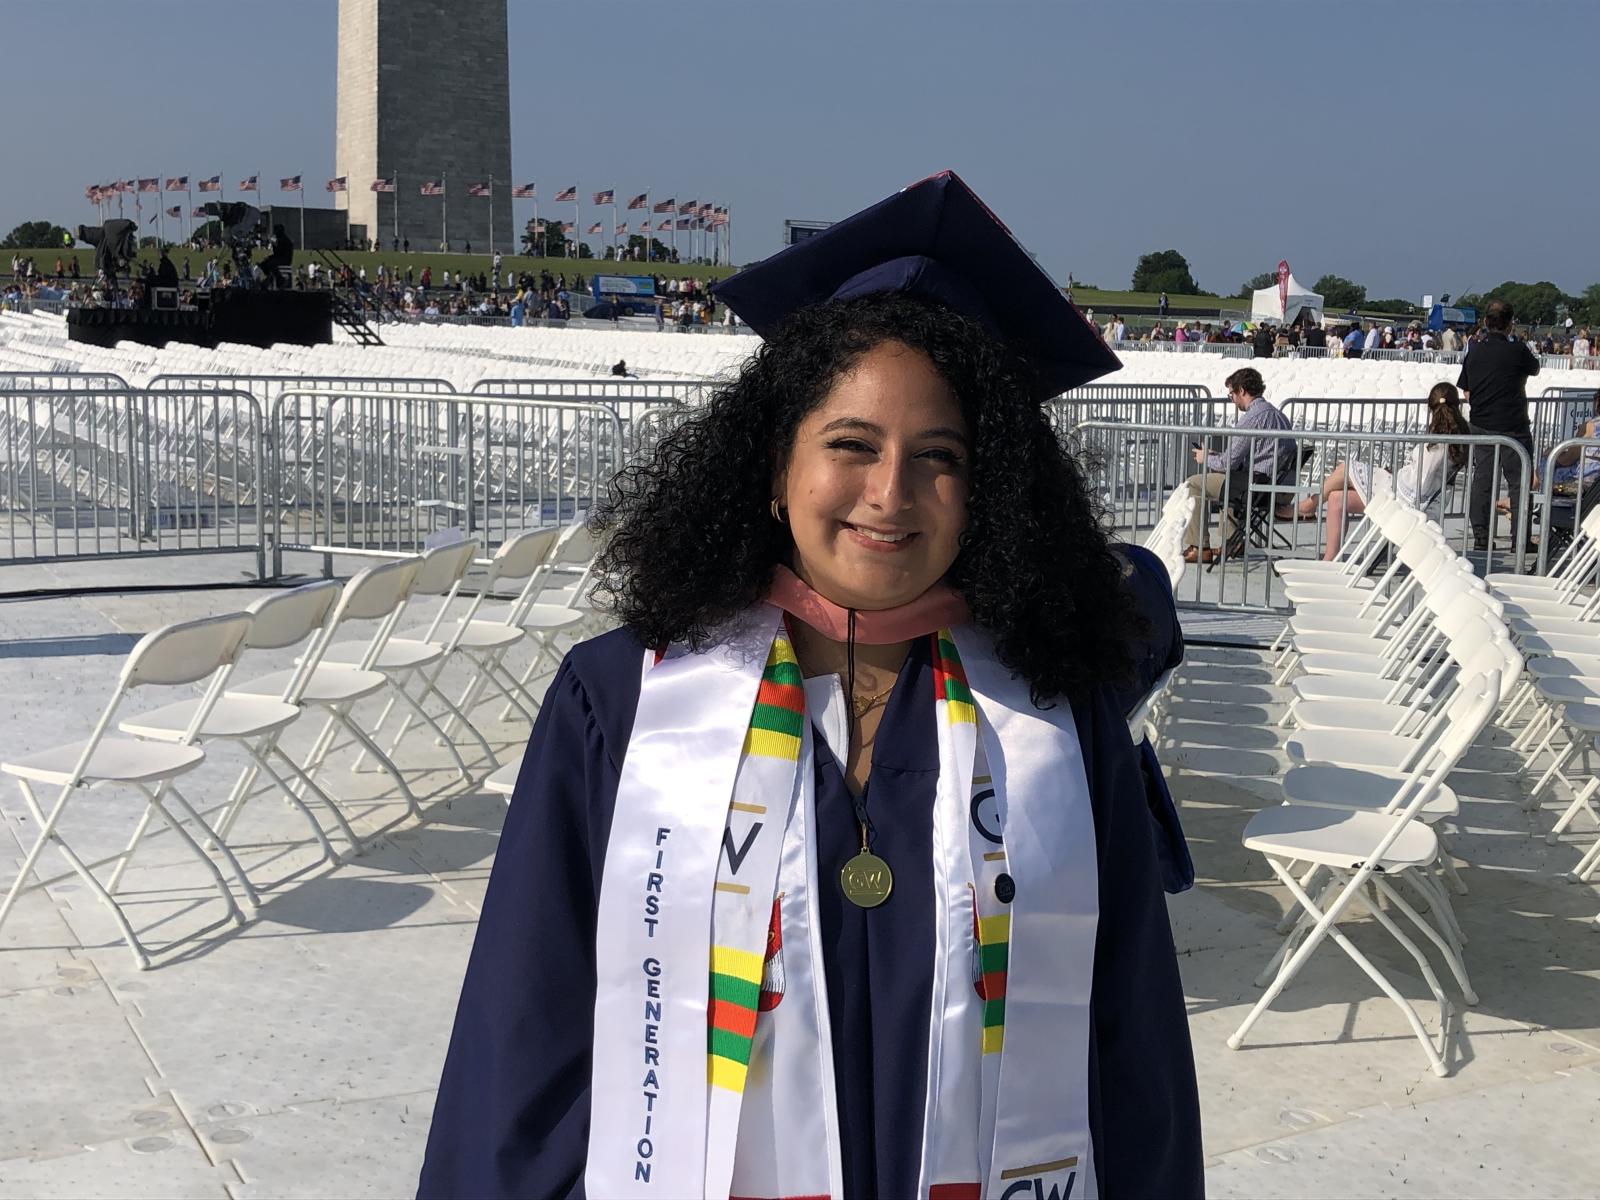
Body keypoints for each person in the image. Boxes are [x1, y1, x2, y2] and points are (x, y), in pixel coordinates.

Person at [418, 171, 1202, 1200]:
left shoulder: (1058, 711)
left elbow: (1129, 1047)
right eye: (850, 445)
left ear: (989, 489)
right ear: (774, 462)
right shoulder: (623, 704)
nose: (889, 494)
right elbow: (528, 1038)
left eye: (940, 457)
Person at [1295, 383, 1468, 560]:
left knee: (1345, 469)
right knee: (1336, 498)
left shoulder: (1438, 443)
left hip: (1405, 501)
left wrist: (1394, 478)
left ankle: (1309, 505)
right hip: (1412, 496)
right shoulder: (1458, 436)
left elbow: (1419, 485)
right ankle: (1329, 557)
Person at [1180, 367, 1292, 563]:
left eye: (1231, 393)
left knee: (1193, 484)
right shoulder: (1279, 416)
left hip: (1255, 488)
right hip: (1277, 487)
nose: (1231, 398)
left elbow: (1227, 463)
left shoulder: (1252, 418)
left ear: (1241, 390)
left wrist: (1205, 458)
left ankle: (1199, 546)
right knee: (1230, 482)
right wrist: (1216, 456)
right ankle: (1232, 542)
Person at [1457, 298, 1539, 553]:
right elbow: (1534, 368)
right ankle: (1520, 540)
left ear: (1485, 322)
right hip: (1514, 426)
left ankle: (1481, 536)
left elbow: (1467, 389)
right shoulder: (1518, 350)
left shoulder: (1475, 349)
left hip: (1481, 425)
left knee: (1483, 480)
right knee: (1519, 483)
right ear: (1510, 324)